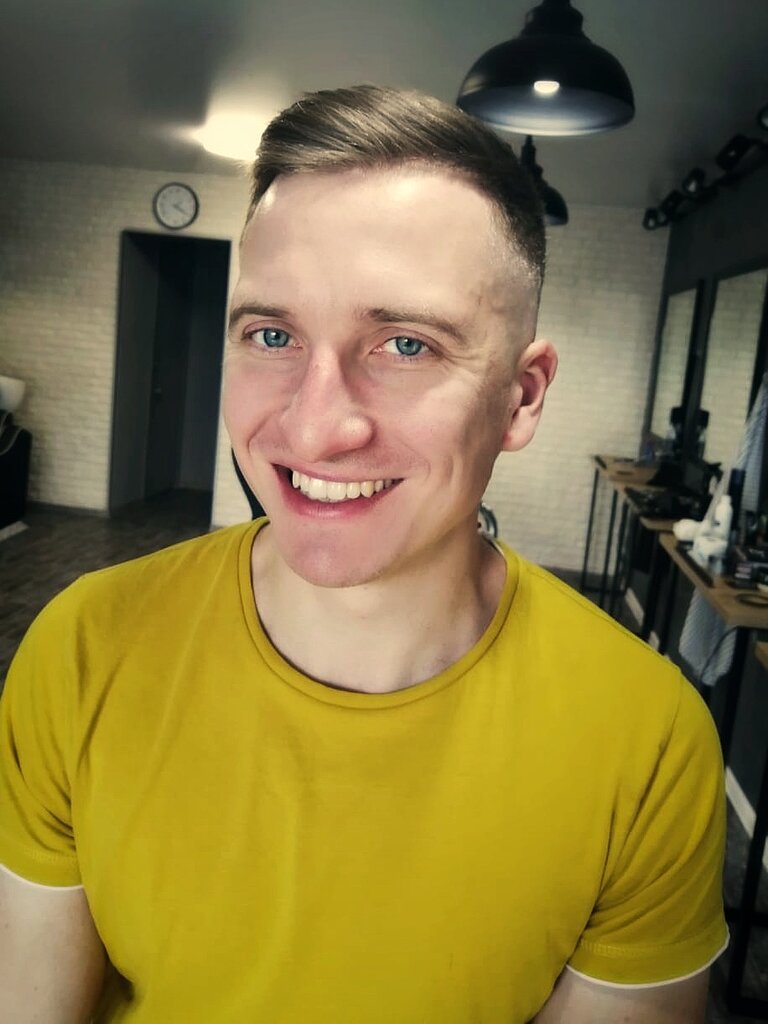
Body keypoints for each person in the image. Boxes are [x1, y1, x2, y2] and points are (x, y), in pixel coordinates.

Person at [0, 85, 727, 1023]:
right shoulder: (84, 649)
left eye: (406, 346)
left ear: (522, 397)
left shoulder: (646, 741)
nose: (315, 427)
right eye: (272, 335)